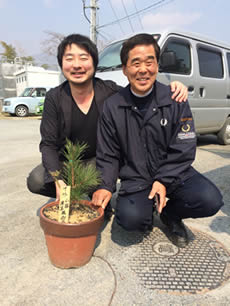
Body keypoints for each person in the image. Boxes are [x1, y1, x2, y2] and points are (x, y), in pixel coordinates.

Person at [92, 33, 224, 247]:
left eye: (149, 62)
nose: (143, 69)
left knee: (210, 200)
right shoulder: (113, 106)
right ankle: (146, 209)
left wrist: (163, 180)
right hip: (136, 177)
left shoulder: (175, 99)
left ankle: (171, 214)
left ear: (157, 65)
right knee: (131, 221)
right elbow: (108, 154)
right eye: (135, 63)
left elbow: (184, 147)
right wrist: (105, 186)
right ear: (125, 69)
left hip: (174, 173)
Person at [27, 33, 188, 208]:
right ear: (61, 64)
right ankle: (75, 198)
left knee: (103, 174)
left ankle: (99, 195)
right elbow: (48, 144)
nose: (77, 65)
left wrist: (171, 88)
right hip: (68, 162)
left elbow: (139, 90)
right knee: (36, 180)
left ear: (94, 63)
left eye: (83, 58)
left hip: (101, 161)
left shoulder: (110, 91)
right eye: (69, 59)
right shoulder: (54, 97)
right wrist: (57, 179)